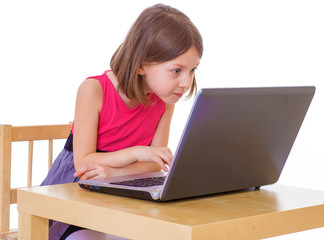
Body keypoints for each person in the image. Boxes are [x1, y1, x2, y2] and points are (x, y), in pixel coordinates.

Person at [41, 3, 203, 240]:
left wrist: (114, 172)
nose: (186, 82)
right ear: (141, 64)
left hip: (120, 193)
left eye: (193, 70)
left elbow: (154, 164)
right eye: (177, 70)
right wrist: (137, 153)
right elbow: (84, 163)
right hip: (75, 192)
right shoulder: (93, 89)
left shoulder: (164, 100)